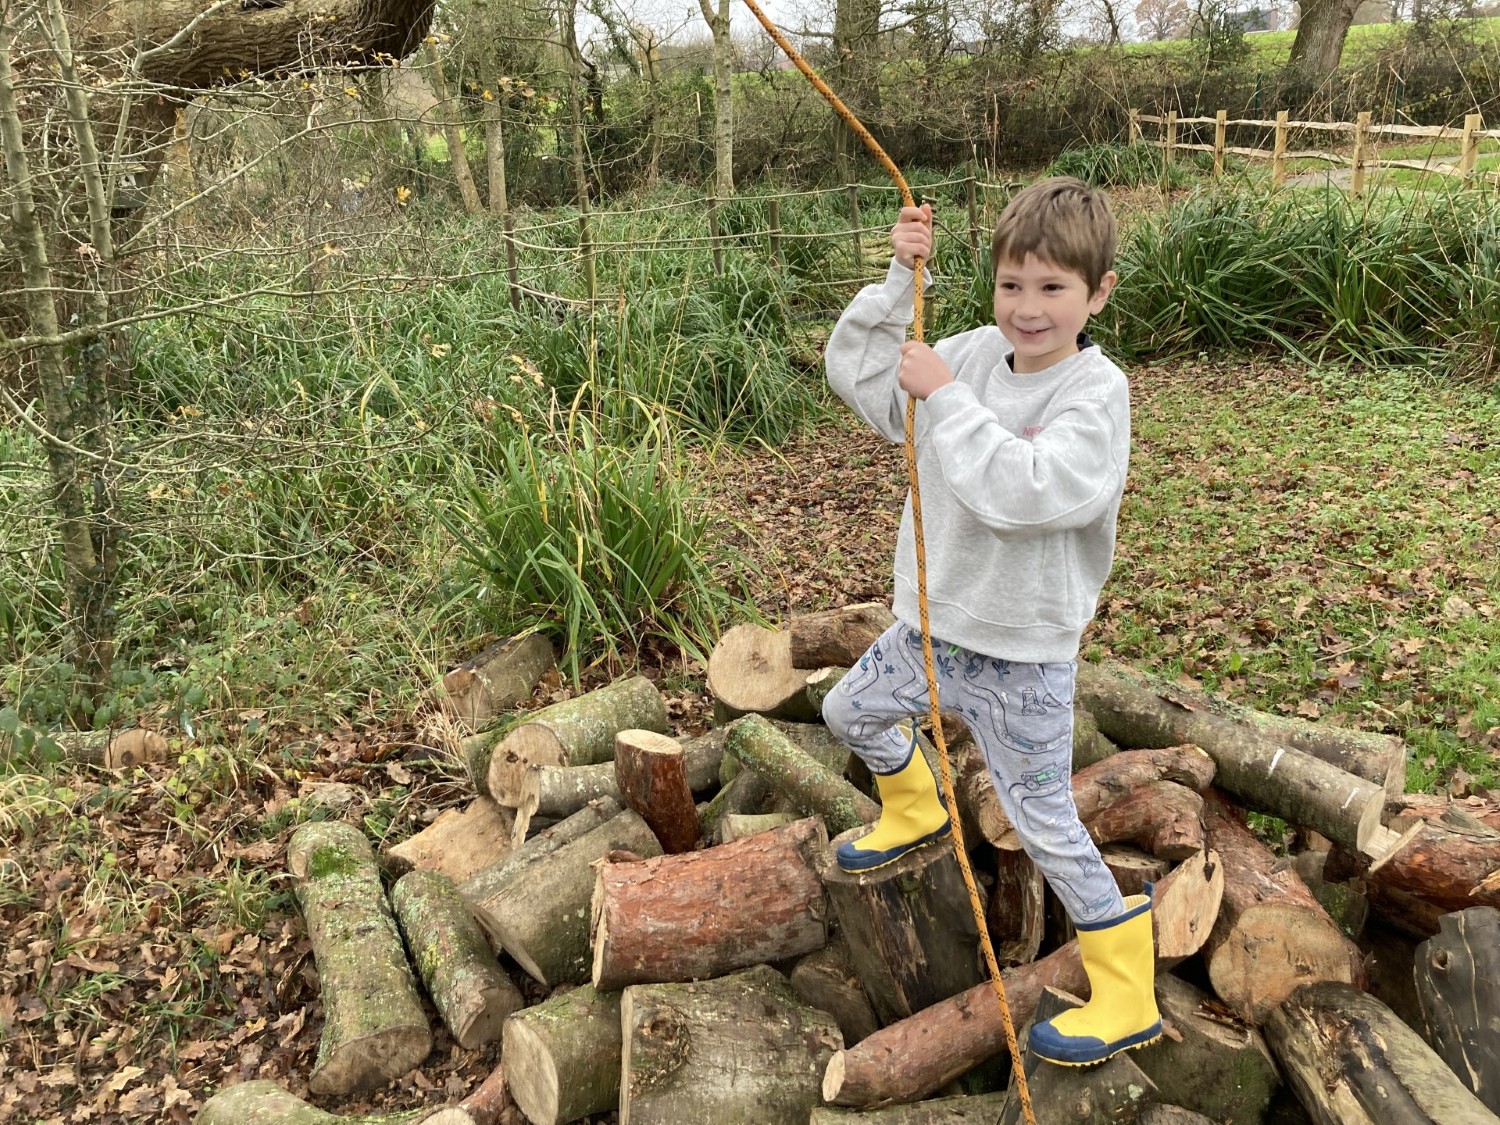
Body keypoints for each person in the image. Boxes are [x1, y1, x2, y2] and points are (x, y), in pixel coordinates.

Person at [820, 176, 1159, 1067]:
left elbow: (1025, 491)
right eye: (1013, 285)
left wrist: (948, 396)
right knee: (848, 712)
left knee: (1042, 820)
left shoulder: (1096, 394)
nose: (1028, 307)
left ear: (1099, 292)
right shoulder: (967, 355)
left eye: (1053, 288)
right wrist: (898, 283)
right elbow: (861, 380)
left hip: (1023, 662)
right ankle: (916, 804)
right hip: (933, 633)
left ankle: (1126, 987)